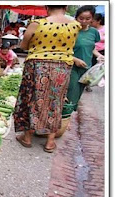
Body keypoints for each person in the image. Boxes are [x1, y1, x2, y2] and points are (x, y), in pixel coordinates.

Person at [13, 5, 81, 153]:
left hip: (37, 65)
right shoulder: (75, 26)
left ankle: (27, 138)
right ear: (66, 6)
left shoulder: (37, 24)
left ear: (46, 7)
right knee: (56, 101)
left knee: (30, 98)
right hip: (62, 68)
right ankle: (50, 142)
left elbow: (24, 46)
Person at [64, 6, 104, 111]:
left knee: (78, 94)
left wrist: (99, 55)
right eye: (81, 18)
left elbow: (91, 47)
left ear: (92, 19)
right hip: (71, 67)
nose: (84, 21)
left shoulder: (94, 32)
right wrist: (75, 60)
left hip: (86, 68)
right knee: (71, 92)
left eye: (88, 19)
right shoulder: (70, 31)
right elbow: (62, 50)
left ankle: (68, 117)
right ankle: (65, 117)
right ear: (76, 18)